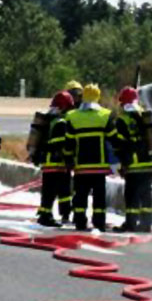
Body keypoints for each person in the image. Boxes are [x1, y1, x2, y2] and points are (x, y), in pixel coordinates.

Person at [113, 86, 152, 233]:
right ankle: (146, 224)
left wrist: (124, 164)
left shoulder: (122, 120)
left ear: (123, 103)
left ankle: (130, 224)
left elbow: (120, 145)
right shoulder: (147, 116)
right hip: (149, 164)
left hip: (133, 165)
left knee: (131, 195)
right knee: (146, 195)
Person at [65, 84, 118, 231]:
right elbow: (114, 139)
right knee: (99, 197)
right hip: (99, 167)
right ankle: (99, 222)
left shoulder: (72, 116)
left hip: (81, 166)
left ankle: (80, 222)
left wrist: (68, 161)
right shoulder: (105, 115)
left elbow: (68, 143)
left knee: (80, 195)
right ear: (98, 97)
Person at [35, 91, 75, 227]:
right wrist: (69, 159)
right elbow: (61, 144)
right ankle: (63, 215)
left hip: (47, 162)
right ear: (64, 107)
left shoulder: (49, 119)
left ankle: (44, 214)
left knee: (48, 191)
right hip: (58, 163)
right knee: (64, 191)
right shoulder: (61, 122)